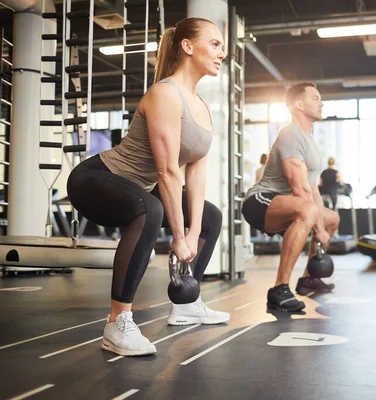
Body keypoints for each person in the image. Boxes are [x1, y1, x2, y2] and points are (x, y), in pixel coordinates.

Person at [66, 18, 229, 357]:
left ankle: (187, 300)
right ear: (188, 46)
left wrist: (194, 228)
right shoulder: (165, 93)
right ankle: (117, 323)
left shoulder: (201, 106)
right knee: (149, 209)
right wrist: (180, 236)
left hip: (140, 185)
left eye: (222, 46)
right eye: (215, 44)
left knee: (211, 217)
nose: (222, 53)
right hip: (96, 179)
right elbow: (167, 171)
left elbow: (195, 171)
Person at [242, 82, 340, 312]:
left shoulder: (308, 140)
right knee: (308, 211)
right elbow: (299, 188)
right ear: (298, 104)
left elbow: (312, 188)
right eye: (315, 98)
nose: (321, 102)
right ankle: (279, 289)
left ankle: (307, 279)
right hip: (261, 202)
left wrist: (323, 224)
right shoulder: (290, 134)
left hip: (290, 203)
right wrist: (318, 229)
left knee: (332, 218)